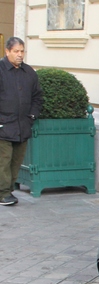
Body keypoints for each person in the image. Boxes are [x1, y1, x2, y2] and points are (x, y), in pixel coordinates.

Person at [0, 37, 43, 206]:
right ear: (7, 51)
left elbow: (37, 97)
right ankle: (3, 193)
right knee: (4, 161)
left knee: (16, 161)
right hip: (3, 125)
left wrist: (32, 116)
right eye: (16, 51)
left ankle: (7, 191)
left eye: (22, 51)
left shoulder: (29, 72)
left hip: (22, 125)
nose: (20, 55)